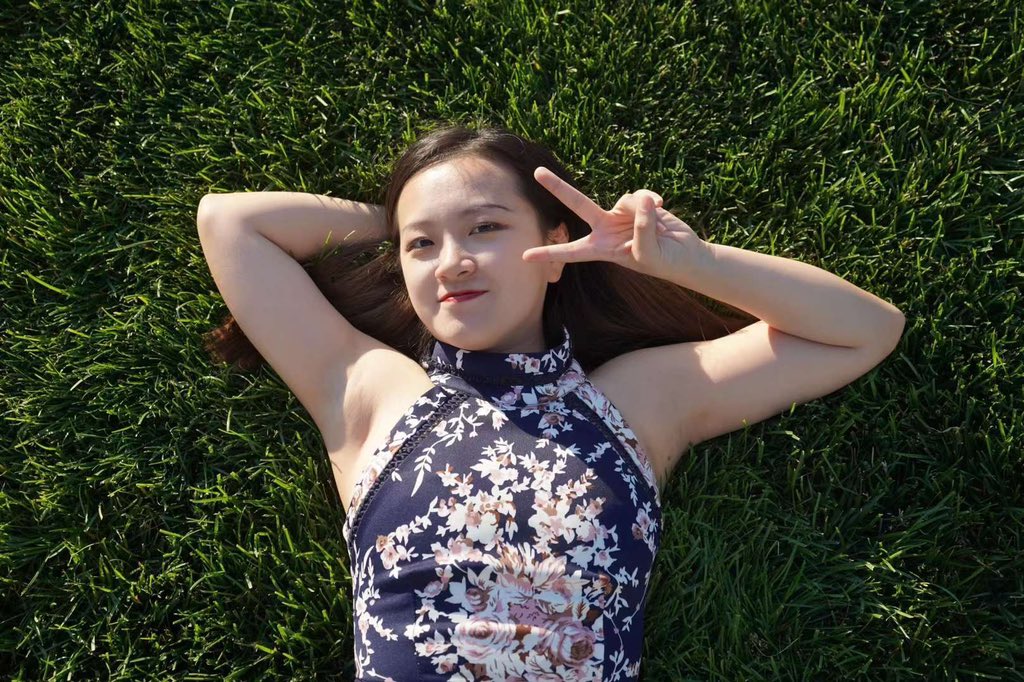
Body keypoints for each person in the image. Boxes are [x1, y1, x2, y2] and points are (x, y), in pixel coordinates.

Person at [197, 123, 905, 680]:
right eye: (424, 246)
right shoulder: (371, 393)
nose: (453, 262)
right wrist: (395, 223)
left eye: (486, 228)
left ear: (558, 242)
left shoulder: (636, 401)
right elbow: (228, 221)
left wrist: (689, 264)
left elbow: (864, 331)